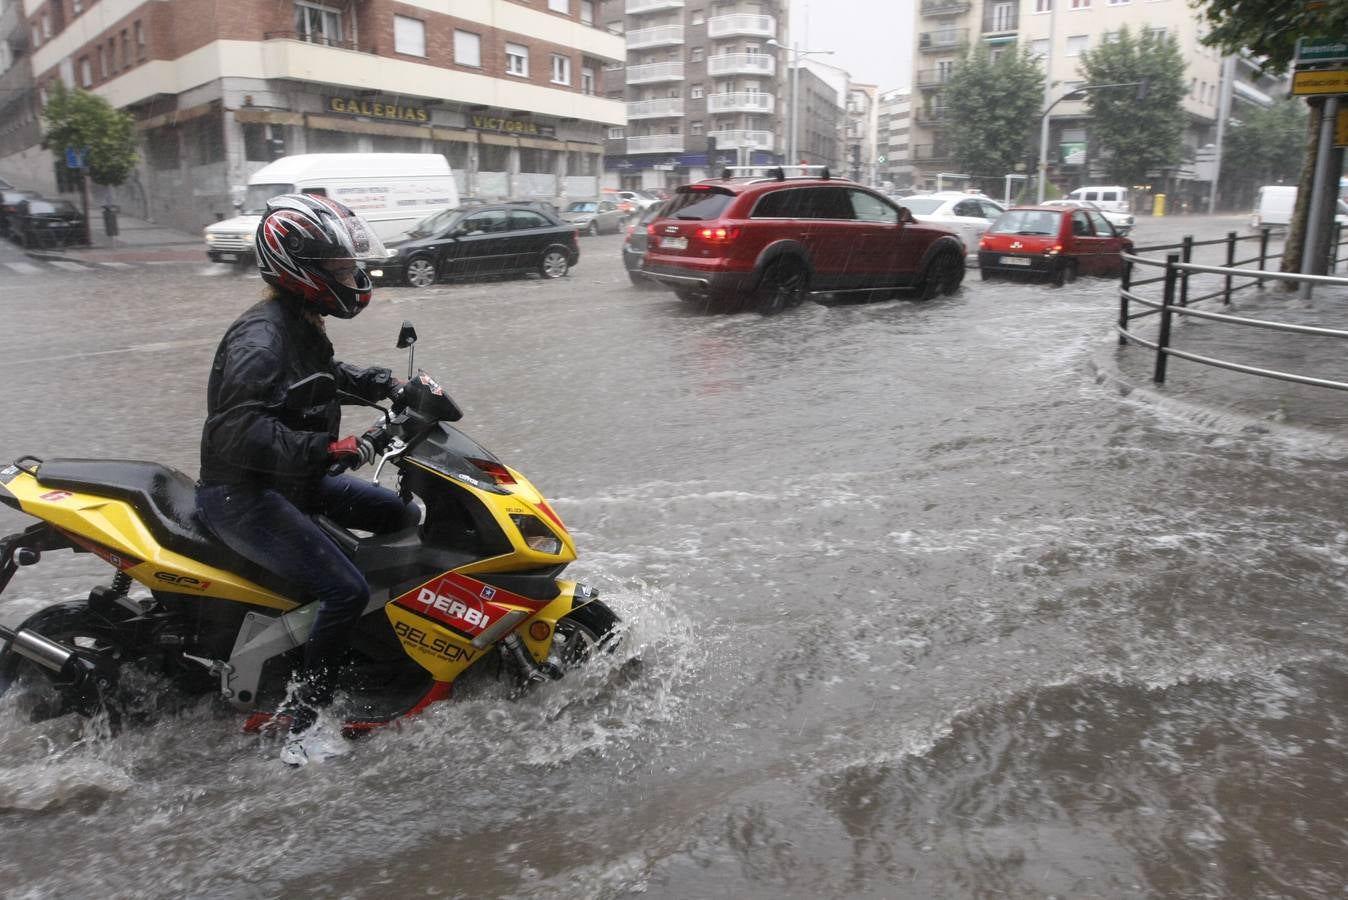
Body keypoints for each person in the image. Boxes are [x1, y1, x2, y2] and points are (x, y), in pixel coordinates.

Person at [196, 193, 417, 766]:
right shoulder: (261, 338)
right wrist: (329, 447)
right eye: (341, 270)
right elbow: (234, 433)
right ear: (302, 271)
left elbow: (319, 377)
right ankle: (306, 720)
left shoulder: (298, 322)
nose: (354, 277)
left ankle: (382, 650)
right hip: (243, 494)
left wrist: (379, 384)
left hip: (292, 480)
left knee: (397, 515)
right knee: (344, 590)